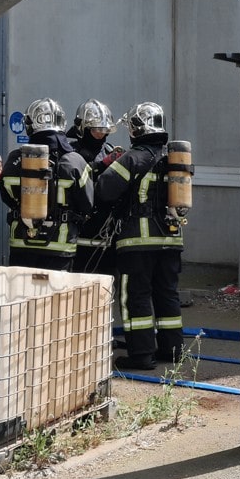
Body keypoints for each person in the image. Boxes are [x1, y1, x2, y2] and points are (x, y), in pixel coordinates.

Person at [94, 101, 186, 370]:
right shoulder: (172, 159)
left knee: (136, 297)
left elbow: (104, 189)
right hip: (171, 240)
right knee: (167, 294)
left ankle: (141, 354)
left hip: (137, 242)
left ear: (136, 129)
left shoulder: (133, 158)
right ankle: (172, 350)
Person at [0, 98, 95, 270]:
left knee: (21, 288)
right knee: (57, 289)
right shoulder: (75, 161)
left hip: (22, 244)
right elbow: (87, 204)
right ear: (62, 123)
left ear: (29, 125)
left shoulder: (15, 159)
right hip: (60, 247)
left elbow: (7, 197)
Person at [65, 99, 122, 275]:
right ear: (83, 129)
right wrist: (102, 165)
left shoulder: (109, 150)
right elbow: (75, 179)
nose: (101, 135)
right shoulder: (69, 152)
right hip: (77, 229)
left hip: (105, 230)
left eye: (104, 130)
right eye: (97, 130)